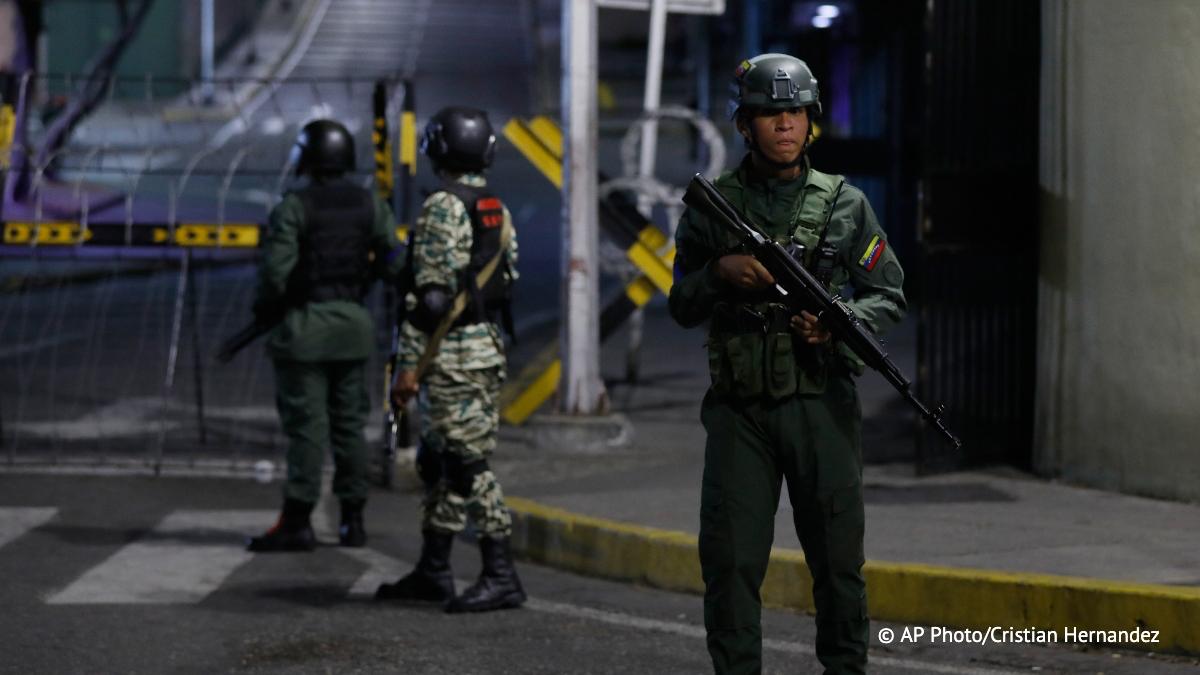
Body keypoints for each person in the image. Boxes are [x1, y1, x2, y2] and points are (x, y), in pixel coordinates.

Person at [668, 54, 907, 674]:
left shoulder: (845, 205)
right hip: (740, 409)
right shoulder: (713, 205)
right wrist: (719, 274)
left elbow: (889, 293)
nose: (784, 124)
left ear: (811, 121)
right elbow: (680, 303)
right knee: (731, 562)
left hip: (820, 404)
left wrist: (839, 322)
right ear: (744, 124)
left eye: (795, 111)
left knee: (836, 564)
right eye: (770, 112)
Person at [374, 106, 524, 613]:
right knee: (441, 461)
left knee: (466, 465)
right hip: (482, 347)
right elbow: (507, 280)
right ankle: (434, 569)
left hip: (451, 354)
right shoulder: (493, 207)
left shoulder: (441, 206)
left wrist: (407, 369)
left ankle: (501, 574)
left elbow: (431, 300)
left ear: (438, 148)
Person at [246, 118, 403, 552]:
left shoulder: (295, 206)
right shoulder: (371, 204)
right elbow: (393, 261)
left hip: (305, 330)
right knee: (350, 425)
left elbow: (275, 274)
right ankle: (353, 519)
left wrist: (268, 307)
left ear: (308, 158)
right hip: (353, 327)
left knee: (307, 427)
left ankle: (298, 519)